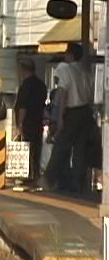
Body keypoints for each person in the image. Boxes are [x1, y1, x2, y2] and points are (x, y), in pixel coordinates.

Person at [42, 43, 93, 192]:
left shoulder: (66, 70)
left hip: (71, 112)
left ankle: (47, 181)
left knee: (61, 146)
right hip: (85, 112)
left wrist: (61, 116)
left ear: (70, 55)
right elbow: (90, 96)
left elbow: (63, 93)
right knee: (80, 149)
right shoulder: (85, 72)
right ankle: (77, 183)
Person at [13, 57, 47, 183]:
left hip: (27, 122)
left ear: (23, 70)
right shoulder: (41, 85)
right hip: (39, 120)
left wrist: (20, 124)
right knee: (36, 149)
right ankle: (36, 174)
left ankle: (25, 175)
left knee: (26, 148)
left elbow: (22, 106)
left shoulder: (25, 86)